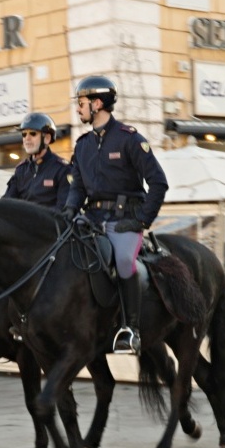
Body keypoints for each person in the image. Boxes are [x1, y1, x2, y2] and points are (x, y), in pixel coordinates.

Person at [62, 76, 168, 355]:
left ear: (97, 104)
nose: (78, 109)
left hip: (125, 220)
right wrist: (69, 211)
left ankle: (130, 330)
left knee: (123, 260)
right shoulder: (82, 145)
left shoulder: (129, 139)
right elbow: (78, 188)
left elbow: (158, 183)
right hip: (91, 219)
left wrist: (142, 221)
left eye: (81, 104)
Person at [3, 112, 71, 209]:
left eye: (33, 134)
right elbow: (7, 202)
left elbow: (63, 209)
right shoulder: (20, 170)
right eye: (24, 134)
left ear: (47, 138)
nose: (27, 138)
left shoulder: (62, 169)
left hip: (49, 223)